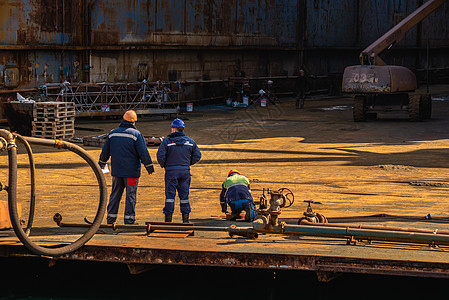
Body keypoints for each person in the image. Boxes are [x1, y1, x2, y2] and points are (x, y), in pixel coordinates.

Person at [98, 110, 155, 224]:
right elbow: (143, 152)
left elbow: (105, 152)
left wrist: (101, 164)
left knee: (115, 194)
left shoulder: (113, 133)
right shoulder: (136, 135)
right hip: (131, 173)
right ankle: (129, 220)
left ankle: (111, 218)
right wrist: (149, 167)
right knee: (130, 196)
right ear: (133, 122)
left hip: (117, 172)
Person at [157, 118, 201, 223]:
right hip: (185, 172)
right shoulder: (190, 142)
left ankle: (168, 220)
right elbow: (197, 155)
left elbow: (160, 156)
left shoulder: (167, 142)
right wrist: (187, 163)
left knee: (170, 196)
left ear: (174, 129)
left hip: (171, 172)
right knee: (184, 196)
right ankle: (185, 220)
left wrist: (165, 165)